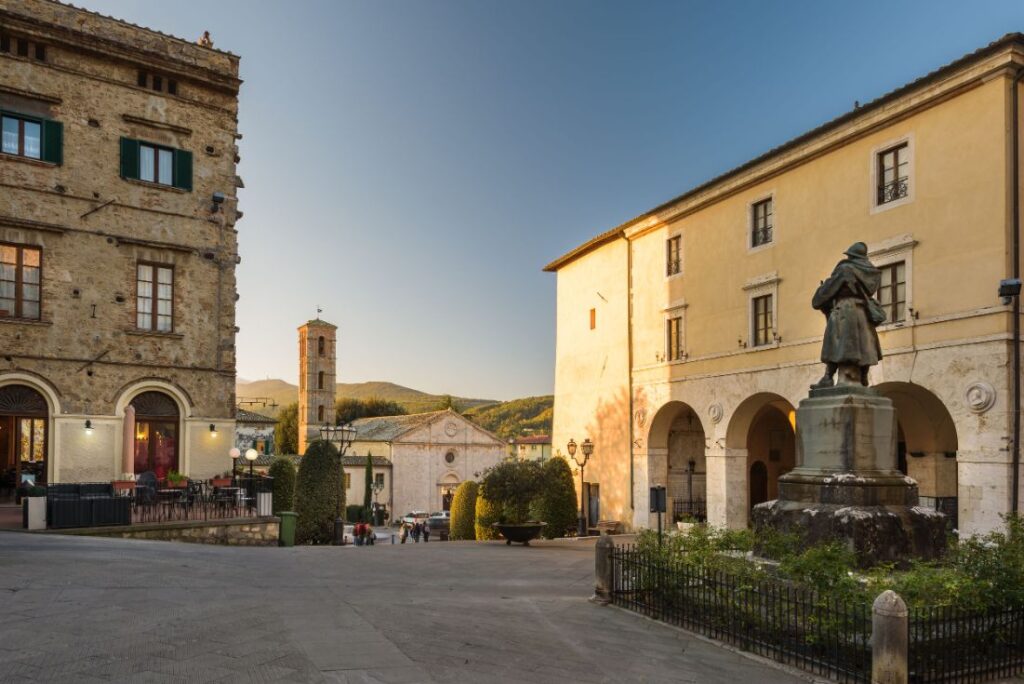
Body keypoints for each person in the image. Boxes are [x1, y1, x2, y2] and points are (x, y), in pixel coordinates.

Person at [810, 242, 885, 389]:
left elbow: (820, 298)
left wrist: (823, 289)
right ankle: (863, 377)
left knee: (835, 344)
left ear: (851, 256)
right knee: (864, 346)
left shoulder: (845, 269)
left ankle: (827, 377)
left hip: (845, 310)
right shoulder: (872, 273)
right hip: (863, 313)